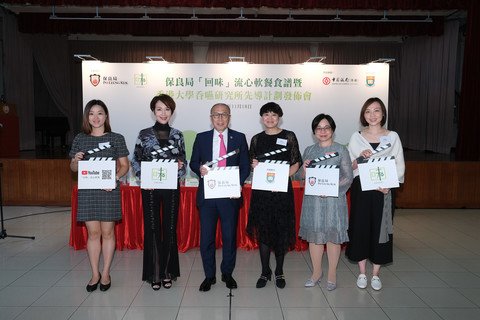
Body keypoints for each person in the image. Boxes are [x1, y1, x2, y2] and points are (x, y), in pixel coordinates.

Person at [69, 99, 129, 292]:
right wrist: (76, 161)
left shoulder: (116, 138)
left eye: (100, 113)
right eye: (91, 113)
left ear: (106, 116)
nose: (96, 117)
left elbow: (124, 166)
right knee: (93, 234)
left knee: (108, 233)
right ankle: (94, 273)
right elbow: (72, 167)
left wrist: (115, 179)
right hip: (88, 192)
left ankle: (105, 273)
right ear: (87, 117)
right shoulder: (80, 138)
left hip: (108, 191)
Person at [346, 97, 405, 291]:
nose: (372, 115)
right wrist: (357, 160)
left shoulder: (393, 137)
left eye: (376, 110)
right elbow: (349, 166)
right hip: (362, 190)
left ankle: (376, 274)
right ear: (363, 115)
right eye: (368, 111)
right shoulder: (356, 137)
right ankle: (362, 272)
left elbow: (399, 165)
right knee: (361, 227)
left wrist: (389, 185)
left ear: (383, 114)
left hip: (384, 192)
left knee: (381, 230)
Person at [189, 103, 250, 292]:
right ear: (211, 117)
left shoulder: (239, 138)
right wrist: (199, 169)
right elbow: (193, 162)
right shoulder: (202, 138)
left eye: (224, 115)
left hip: (229, 196)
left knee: (229, 237)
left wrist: (237, 184)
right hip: (208, 196)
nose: (220, 118)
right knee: (207, 238)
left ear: (229, 117)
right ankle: (209, 276)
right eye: (216, 115)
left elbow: (245, 165)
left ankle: (227, 273)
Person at [131, 94, 186, 290]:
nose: (163, 113)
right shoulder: (144, 134)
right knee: (153, 228)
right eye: (159, 109)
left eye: (167, 109)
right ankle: (154, 273)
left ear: (172, 112)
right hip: (150, 187)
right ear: (153, 111)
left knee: (170, 228)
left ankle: (167, 272)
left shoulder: (178, 134)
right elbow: (135, 160)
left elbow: (183, 162)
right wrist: (143, 178)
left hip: (171, 187)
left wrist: (180, 166)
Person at [246, 102, 302, 289]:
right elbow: (251, 162)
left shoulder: (289, 136)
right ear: (261, 118)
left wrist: (282, 177)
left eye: (274, 115)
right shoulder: (256, 139)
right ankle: (264, 271)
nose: (270, 118)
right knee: (263, 233)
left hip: (282, 193)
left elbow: (296, 162)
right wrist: (253, 165)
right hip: (262, 194)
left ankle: (279, 271)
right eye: (266, 115)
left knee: (280, 233)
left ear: (279, 117)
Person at [298, 114, 353, 291]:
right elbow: (299, 176)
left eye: (326, 127)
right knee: (314, 238)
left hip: (333, 202)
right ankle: (316, 272)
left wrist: (331, 190)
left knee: (332, 238)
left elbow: (348, 177)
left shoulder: (341, 150)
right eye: (318, 128)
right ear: (314, 132)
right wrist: (304, 170)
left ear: (333, 130)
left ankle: (332, 273)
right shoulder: (309, 150)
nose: (323, 131)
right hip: (313, 202)